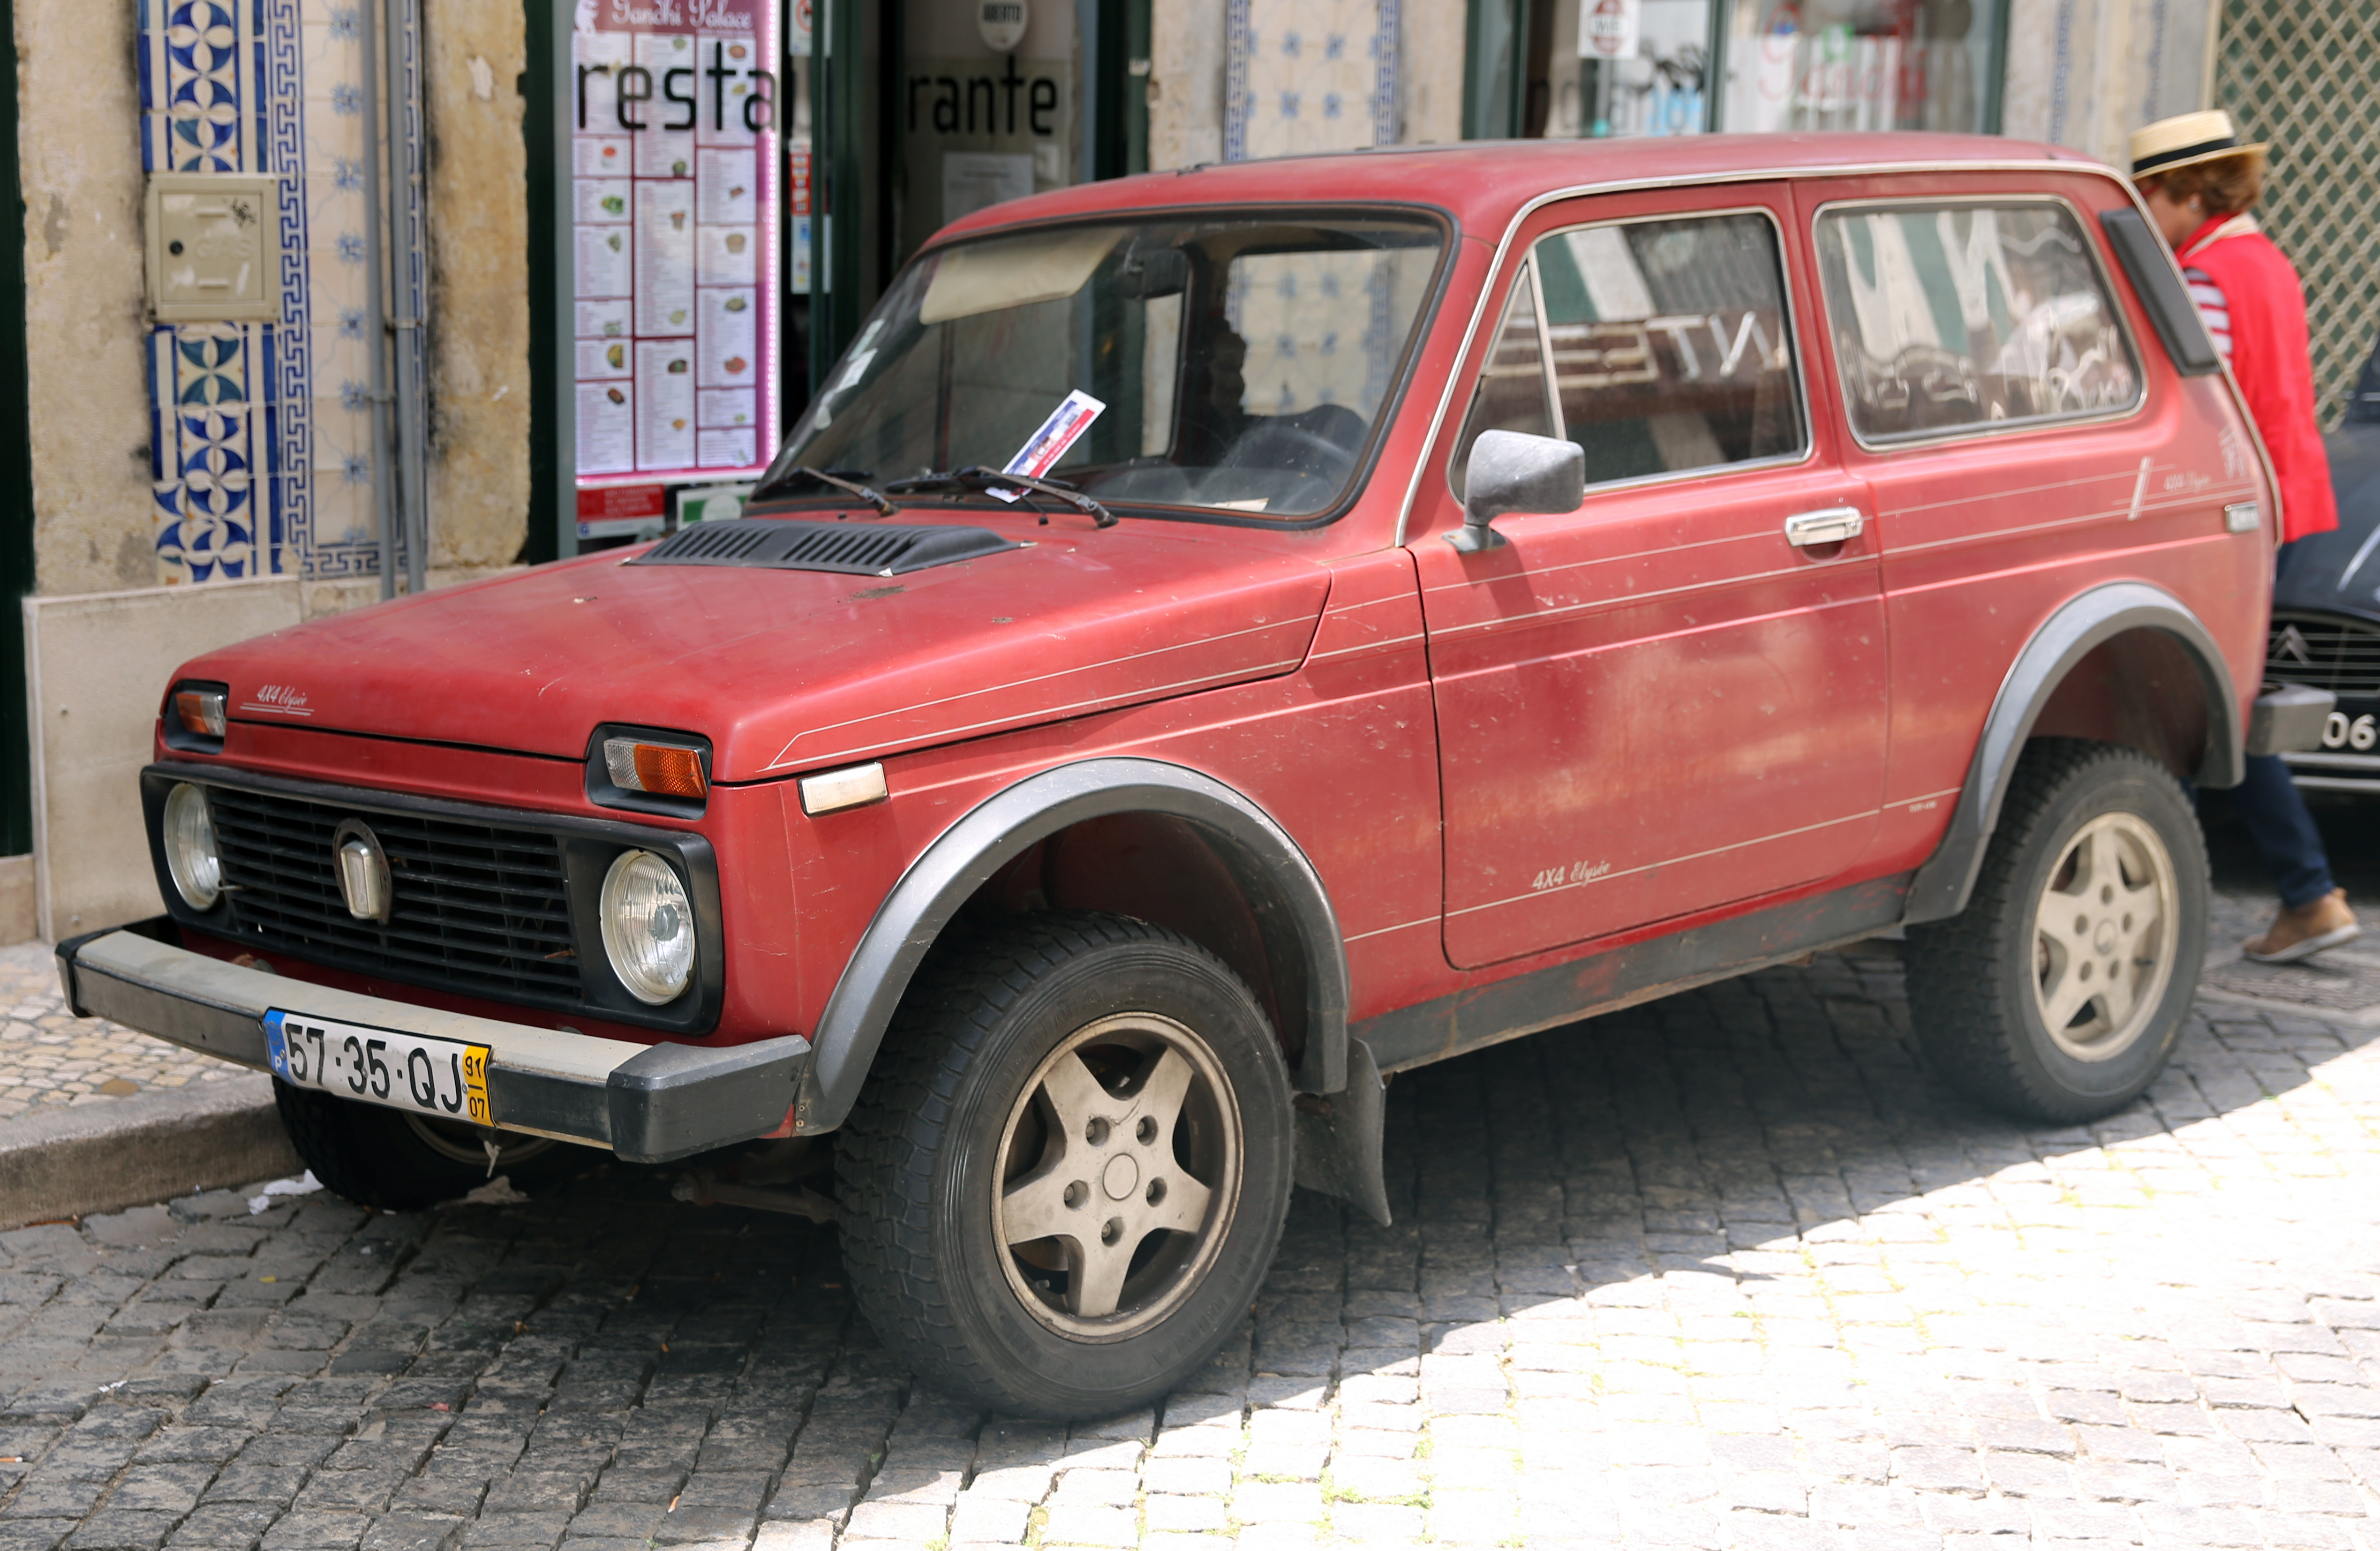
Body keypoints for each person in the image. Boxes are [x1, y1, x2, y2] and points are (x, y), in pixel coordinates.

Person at [2131, 110, 2359, 963]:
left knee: (2194, 701)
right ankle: (2298, 896)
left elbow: (2199, 413)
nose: (2145, 215)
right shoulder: (2269, 264)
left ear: (2186, 193)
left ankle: (2285, 894)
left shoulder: (2204, 278)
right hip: (2287, 505)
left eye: (2147, 197)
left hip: (2235, 517)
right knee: (2213, 697)